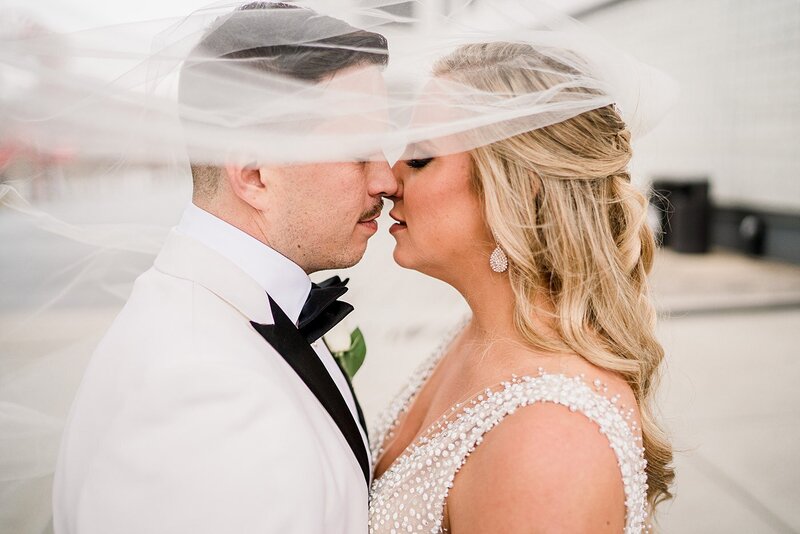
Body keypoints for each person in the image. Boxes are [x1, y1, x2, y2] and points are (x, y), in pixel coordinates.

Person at [52, 3, 396, 533]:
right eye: (356, 150)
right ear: (255, 173)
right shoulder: (204, 391)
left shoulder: (226, 314)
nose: (386, 180)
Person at [369, 42, 674, 533]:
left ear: (518, 184)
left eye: (421, 158)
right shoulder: (478, 333)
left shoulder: (552, 442)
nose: (387, 179)